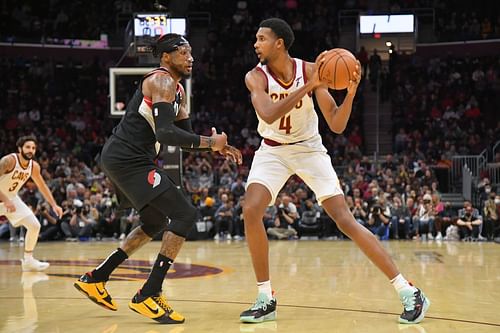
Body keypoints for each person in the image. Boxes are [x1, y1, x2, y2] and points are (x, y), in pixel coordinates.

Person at [240, 18, 430, 324]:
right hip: (272, 148)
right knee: (250, 209)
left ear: (279, 43)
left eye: (261, 38)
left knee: (345, 220)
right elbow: (268, 113)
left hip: (309, 148)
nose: (255, 43)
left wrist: (350, 94)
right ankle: (266, 297)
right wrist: (310, 87)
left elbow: (337, 125)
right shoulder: (255, 76)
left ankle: (409, 291)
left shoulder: (312, 70)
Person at [73, 34, 242, 324]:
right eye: (184, 52)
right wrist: (209, 141)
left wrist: (216, 145)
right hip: (129, 158)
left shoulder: (178, 92)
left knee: (154, 223)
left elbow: (186, 139)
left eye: (191, 53)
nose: (191, 58)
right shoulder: (161, 81)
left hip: (125, 158)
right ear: (166, 56)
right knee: (185, 214)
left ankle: (95, 278)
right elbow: (165, 133)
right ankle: (149, 293)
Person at [0, 135, 63, 271]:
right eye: (28, 147)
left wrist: (54, 205)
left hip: (11, 199)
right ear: (19, 148)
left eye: (33, 148)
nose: (31, 150)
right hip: (5, 199)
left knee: (34, 225)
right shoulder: (8, 161)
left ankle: (28, 261)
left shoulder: (34, 166)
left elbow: (42, 185)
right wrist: (5, 200)